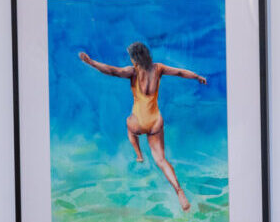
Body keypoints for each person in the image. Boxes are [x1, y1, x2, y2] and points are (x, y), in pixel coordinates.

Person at [78, 42, 206, 211]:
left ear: (134, 59)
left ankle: (139, 154)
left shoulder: (133, 72)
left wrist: (91, 62)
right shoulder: (158, 68)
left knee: (128, 124)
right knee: (161, 160)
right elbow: (180, 72)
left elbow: (112, 70)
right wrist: (197, 76)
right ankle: (180, 192)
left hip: (139, 122)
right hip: (155, 122)